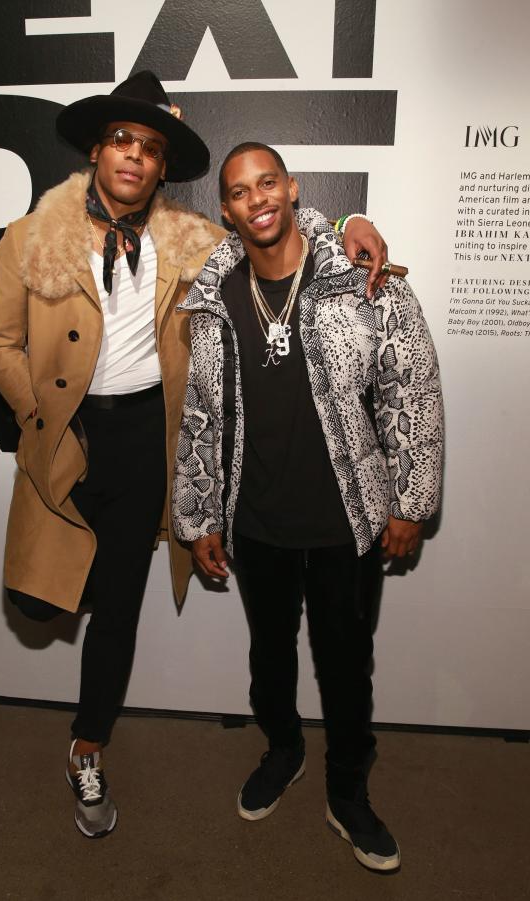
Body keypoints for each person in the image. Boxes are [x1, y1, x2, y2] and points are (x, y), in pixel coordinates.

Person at [0, 72, 390, 841]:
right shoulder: (33, 238)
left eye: (151, 148)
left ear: (163, 169)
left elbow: (274, 226)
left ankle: (87, 747)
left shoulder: (192, 241)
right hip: (64, 436)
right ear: (99, 151)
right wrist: (35, 410)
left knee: (121, 613)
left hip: (145, 442)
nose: (134, 156)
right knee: (38, 600)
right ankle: (84, 598)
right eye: (123, 141)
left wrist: (355, 221)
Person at [172, 142, 443, 871]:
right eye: (239, 190)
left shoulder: (362, 279)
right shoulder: (212, 297)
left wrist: (411, 501)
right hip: (255, 522)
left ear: (291, 189)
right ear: (224, 208)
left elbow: (408, 392)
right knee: (269, 659)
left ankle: (347, 792)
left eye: (268, 182)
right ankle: (283, 749)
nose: (257, 198)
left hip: (346, 523)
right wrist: (198, 519)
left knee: (348, 668)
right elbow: (199, 413)